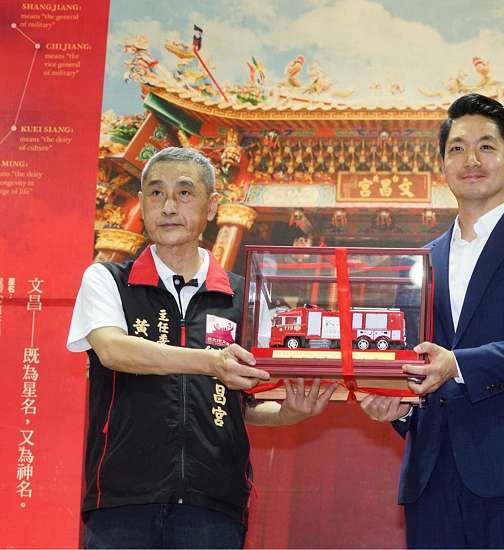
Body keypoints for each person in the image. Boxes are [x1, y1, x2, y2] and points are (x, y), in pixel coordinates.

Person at [67, 147, 334, 549]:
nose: (168, 206)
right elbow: (113, 350)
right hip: (122, 501)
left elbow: (245, 403)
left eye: (184, 193)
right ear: (142, 203)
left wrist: (288, 413)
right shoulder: (108, 279)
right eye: (156, 193)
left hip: (213, 503)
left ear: (211, 207)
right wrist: (211, 362)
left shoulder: (245, 296)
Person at [361, 94, 504, 548]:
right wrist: (399, 407)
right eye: (457, 148)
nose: (471, 160)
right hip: (431, 472)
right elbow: (411, 359)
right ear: (443, 166)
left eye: (487, 146)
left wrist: (457, 364)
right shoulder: (420, 261)